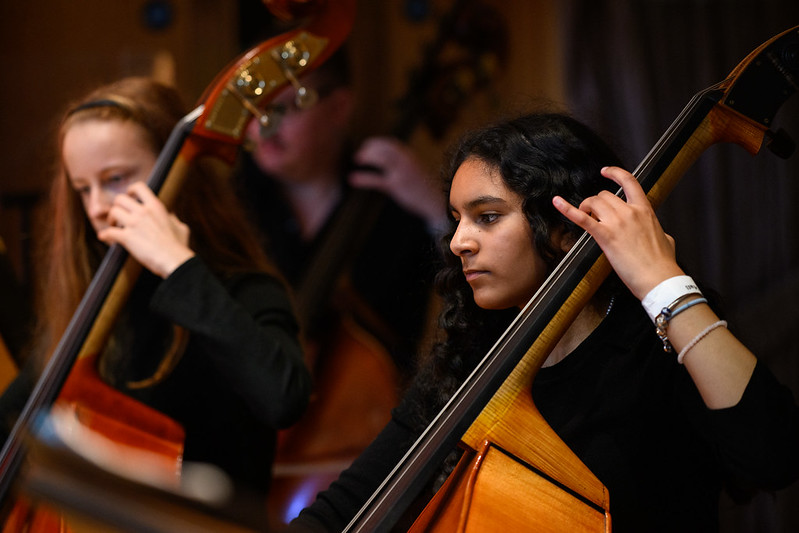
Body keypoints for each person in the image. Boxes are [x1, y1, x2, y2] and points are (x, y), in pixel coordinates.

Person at [285, 112, 799, 532]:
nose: (459, 241)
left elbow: (773, 455)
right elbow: (346, 506)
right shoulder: (474, 357)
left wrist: (662, 281)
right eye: (456, 219)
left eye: (486, 217)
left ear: (562, 228)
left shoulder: (655, 337)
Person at [0, 77, 311, 506]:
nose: (96, 208)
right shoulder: (93, 303)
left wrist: (177, 266)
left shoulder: (242, 289)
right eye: (82, 189)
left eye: (115, 179)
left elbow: (283, 398)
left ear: (179, 173)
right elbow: (13, 419)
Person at [235, 48, 446, 379]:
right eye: (256, 104)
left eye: (288, 105)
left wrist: (437, 210)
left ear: (338, 108)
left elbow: (475, 300)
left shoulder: (395, 202)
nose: (265, 124)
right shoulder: (231, 205)